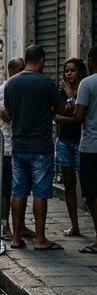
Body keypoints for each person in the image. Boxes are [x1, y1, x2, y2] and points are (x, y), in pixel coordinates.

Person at [4, 45, 67, 250]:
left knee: (18, 191)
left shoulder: (11, 83)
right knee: (40, 192)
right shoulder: (46, 82)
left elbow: (9, 111)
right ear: (41, 60)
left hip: (19, 145)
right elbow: (60, 108)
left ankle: (15, 238)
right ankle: (40, 239)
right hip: (41, 146)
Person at [0, 57, 34, 241]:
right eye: (20, 69)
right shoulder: (3, 91)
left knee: (22, 189)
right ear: (11, 71)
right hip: (7, 148)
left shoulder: (24, 90)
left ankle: (21, 225)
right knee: (6, 190)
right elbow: (8, 116)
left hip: (23, 147)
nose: (24, 73)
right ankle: (4, 226)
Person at [54, 58, 87, 237]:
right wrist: (74, 117)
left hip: (82, 141)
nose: (68, 73)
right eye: (66, 70)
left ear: (80, 72)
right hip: (64, 141)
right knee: (68, 184)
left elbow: (76, 111)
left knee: (87, 186)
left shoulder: (85, 89)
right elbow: (56, 117)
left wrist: (70, 107)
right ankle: (74, 225)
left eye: (72, 70)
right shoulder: (59, 93)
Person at [74, 46, 97, 253]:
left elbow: (79, 116)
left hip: (91, 147)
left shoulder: (87, 83)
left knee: (91, 194)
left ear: (90, 60)